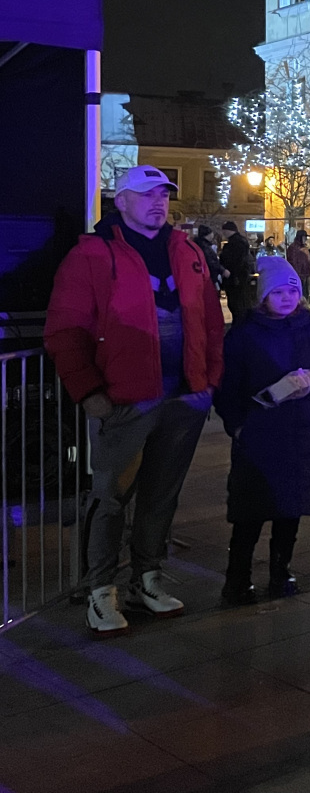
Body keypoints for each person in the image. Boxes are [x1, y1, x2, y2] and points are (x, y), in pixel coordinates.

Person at [44, 165, 224, 636]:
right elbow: (65, 329)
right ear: (120, 201)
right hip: (125, 401)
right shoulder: (91, 254)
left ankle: (146, 579)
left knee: (162, 495)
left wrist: (208, 383)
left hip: (182, 397)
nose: (158, 202)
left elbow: (209, 320)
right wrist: (89, 393)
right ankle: (101, 590)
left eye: (163, 194)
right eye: (146, 195)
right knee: (110, 498)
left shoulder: (187, 250)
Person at [215, 255, 310, 605]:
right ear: (263, 297)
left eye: (292, 291)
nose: (287, 298)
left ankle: (281, 570)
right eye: (278, 292)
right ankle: (237, 578)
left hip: (302, 435)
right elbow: (227, 387)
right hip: (260, 434)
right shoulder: (244, 336)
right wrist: (237, 425)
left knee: (291, 508)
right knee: (251, 510)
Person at [219, 220, 254, 322]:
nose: (223, 233)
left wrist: (232, 275)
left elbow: (234, 262)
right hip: (239, 279)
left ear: (228, 230)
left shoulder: (235, 243)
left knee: (236, 306)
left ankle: (239, 326)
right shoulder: (240, 241)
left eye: (224, 231)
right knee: (239, 305)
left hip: (235, 280)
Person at [285, 229, 310, 306]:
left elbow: (309, 261)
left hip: (305, 275)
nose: (305, 239)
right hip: (297, 275)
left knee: (305, 295)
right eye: (304, 237)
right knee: (298, 294)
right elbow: (292, 262)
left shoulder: (305, 248)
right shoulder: (293, 248)